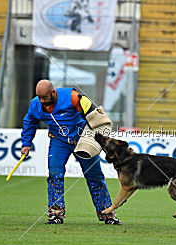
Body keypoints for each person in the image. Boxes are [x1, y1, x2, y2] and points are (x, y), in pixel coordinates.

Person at [20, 79, 122, 225]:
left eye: (45, 98)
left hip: (82, 141)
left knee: (95, 177)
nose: (42, 101)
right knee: (55, 175)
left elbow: (94, 115)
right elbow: (29, 123)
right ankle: (56, 214)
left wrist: (89, 137)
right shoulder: (35, 104)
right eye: (39, 98)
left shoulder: (73, 97)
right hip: (58, 141)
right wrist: (26, 143)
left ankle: (107, 214)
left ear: (53, 92)